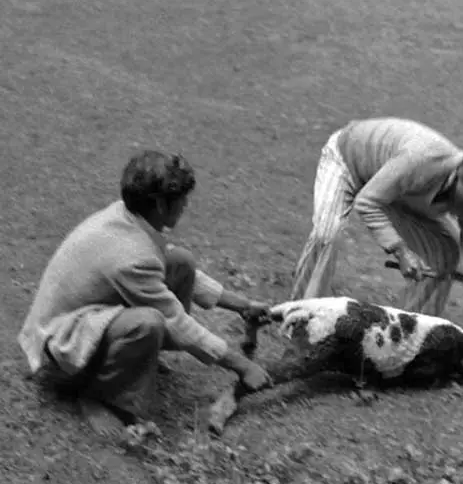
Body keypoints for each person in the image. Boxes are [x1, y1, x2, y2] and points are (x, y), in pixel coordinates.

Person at [18, 150, 273, 438]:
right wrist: (242, 365)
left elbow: (168, 270)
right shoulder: (131, 253)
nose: (186, 206)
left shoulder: (128, 218)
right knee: (148, 323)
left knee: (182, 263)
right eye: (181, 200)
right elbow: (173, 319)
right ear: (160, 204)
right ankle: (101, 397)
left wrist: (242, 305)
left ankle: (132, 359)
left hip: (84, 319)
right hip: (61, 347)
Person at [290, 117, 463, 342]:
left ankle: (408, 336)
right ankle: (298, 320)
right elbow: (367, 202)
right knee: (327, 234)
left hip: (397, 191)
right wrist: (401, 252)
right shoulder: (423, 158)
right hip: (347, 162)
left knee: (445, 254)